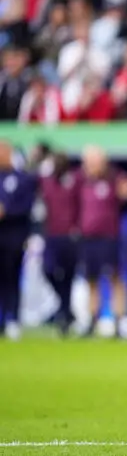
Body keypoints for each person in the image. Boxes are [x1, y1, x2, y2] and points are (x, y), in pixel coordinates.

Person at [77, 145, 127, 337]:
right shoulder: (80, 181)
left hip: (109, 238)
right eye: (89, 162)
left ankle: (119, 320)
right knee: (91, 280)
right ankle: (93, 319)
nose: (92, 165)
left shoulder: (114, 179)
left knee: (115, 278)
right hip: (88, 238)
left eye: (96, 161)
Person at [39, 153, 81, 335]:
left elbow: (81, 204)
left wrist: (78, 226)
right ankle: (66, 308)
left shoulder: (74, 181)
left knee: (69, 276)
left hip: (71, 235)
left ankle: (65, 314)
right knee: (48, 270)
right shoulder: (47, 181)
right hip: (52, 234)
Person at [0, 141, 37, 340]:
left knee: (12, 278)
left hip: (13, 237)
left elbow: (27, 206)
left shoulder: (22, 178)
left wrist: (7, 211)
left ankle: (12, 319)